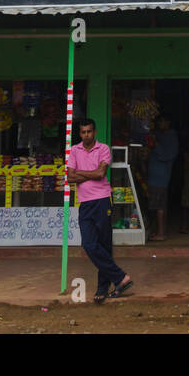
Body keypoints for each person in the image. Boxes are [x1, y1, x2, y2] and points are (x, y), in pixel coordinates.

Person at [65, 117, 132, 303]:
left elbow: (100, 173)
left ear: (94, 132)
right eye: (83, 132)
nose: (86, 135)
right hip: (85, 203)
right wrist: (90, 173)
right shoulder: (75, 150)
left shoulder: (103, 149)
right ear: (80, 133)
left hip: (103, 200)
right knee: (88, 244)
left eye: (89, 131)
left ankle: (102, 288)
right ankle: (121, 277)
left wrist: (81, 173)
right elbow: (70, 178)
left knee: (104, 245)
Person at [146, 114, 179, 241]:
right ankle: (159, 232)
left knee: (159, 207)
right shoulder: (160, 135)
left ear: (168, 122)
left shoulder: (171, 137)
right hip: (156, 175)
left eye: (162, 121)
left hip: (160, 177)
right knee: (160, 206)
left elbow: (166, 155)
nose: (160, 124)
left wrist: (155, 145)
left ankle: (161, 233)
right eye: (159, 122)